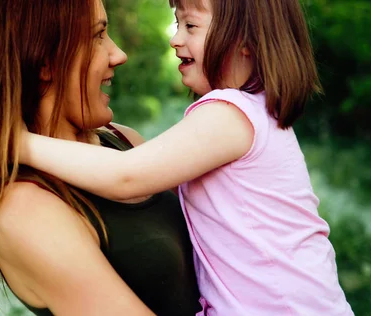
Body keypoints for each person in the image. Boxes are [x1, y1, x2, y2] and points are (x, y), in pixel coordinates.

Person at [19, 0, 354, 315]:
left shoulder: (230, 115)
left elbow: (125, 175)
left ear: (246, 41)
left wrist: (20, 143)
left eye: (190, 25)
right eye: (177, 23)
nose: (175, 39)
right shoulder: (253, 114)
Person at [0, 0, 201, 315]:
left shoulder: (123, 142)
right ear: (44, 61)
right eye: (97, 36)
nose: (119, 54)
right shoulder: (26, 210)